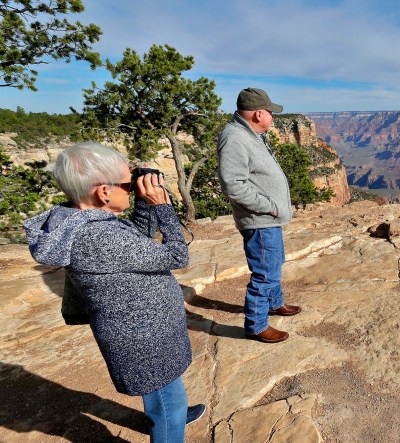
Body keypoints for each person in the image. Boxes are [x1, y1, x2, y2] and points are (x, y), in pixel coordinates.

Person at [23, 142, 205, 442]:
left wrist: (143, 204)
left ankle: (173, 412)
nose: (132, 188)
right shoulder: (98, 235)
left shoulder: (84, 222)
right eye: (127, 184)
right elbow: (177, 256)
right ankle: (171, 421)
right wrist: (162, 206)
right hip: (145, 338)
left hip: (144, 330)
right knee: (165, 397)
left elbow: (137, 236)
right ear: (104, 192)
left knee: (165, 388)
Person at [217, 87, 302, 344]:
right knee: (265, 272)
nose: (272, 117)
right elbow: (233, 184)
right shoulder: (235, 138)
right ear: (257, 114)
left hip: (267, 219)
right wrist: (269, 206)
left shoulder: (249, 133)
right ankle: (256, 325)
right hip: (260, 219)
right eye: (270, 112)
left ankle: (274, 304)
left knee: (274, 264)